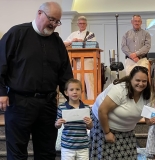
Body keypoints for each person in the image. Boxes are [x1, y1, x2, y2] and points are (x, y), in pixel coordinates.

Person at [0, 2, 73, 160]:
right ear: (39, 13)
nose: (54, 24)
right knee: (17, 153)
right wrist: (1, 92)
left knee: (47, 153)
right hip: (18, 102)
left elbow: (65, 74)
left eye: (57, 21)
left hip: (47, 105)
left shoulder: (57, 42)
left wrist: (72, 99)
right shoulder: (16, 33)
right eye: (51, 19)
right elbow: (0, 64)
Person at [90, 66, 151, 160]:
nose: (141, 84)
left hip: (126, 129)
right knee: (105, 156)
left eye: (144, 81)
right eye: (137, 80)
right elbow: (102, 111)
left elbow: (148, 118)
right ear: (131, 79)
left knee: (128, 156)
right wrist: (107, 133)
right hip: (103, 123)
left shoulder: (147, 94)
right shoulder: (120, 90)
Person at [55, 78, 93, 160]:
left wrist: (89, 123)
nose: (75, 92)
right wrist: (58, 123)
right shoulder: (61, 108)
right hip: (67, 146)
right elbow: (56, 126)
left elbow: (90, 127)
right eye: (71, 90)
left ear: (81, 92)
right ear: (66, 93)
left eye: (77, 89)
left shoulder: (87, 108)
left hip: (83, 146)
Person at [64, 16, 96, 100]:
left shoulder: (90, 34)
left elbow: (92, 46)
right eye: (80, 23)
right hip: (76, 60)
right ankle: (78, 100)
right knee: (77, 81)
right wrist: (72, 41)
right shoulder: (73, 34)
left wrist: (81, 42)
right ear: (77, 24)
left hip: (87, 60)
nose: (82, 25)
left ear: (86, 24)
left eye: (84, 23)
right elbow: (64, 43)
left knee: (89, 81)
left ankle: (91, 101)